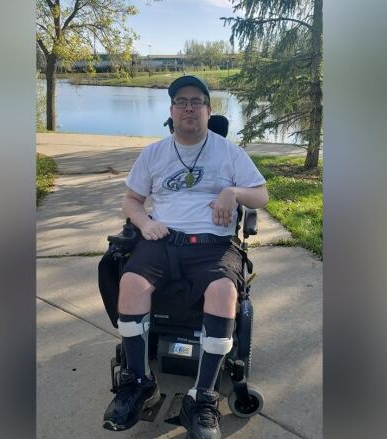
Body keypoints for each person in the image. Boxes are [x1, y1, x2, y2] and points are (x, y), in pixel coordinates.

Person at [102, 75, 268, 439]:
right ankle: (140, 382)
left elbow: (261, 196)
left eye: (197, 101)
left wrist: (232, 191)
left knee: (224, 293)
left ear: (209, 110)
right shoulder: (154, 153)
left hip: (213, 244)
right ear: (172, 111)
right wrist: (144, 222)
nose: (189, 107)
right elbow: (131, 200)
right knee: (129, 281)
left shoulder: (228, 152)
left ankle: (203, 397)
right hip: (163, 239)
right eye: (182, 102)